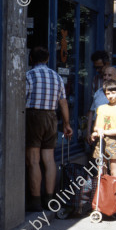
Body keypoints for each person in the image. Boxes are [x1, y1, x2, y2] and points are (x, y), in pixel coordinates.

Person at [25, 47, 73, 212]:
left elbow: (22, 98)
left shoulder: (29, 75)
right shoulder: (57, 77)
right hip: (52, 118)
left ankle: (36, 200)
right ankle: (50, 198)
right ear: (47, 59)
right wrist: (67, 124)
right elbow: (63, 102)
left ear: (31, 58)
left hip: (33, 117)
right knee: (49, 159)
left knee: (33, 160)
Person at [89, 80, 116, 218]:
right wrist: (95, 133)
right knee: (100, 172)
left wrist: (103, 132)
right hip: (101, 142)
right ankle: (101, 203)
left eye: (113, 92)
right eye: (108, 93)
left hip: (114, 142)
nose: (110, 95)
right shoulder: (101, 108)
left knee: (115, 174)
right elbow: (96, 127)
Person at [86, 66, 116, 144]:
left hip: (115, 136)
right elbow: (91, 112)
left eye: (109, 75)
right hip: (97, 133)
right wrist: (88, 131)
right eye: (105, 75)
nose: (106, 77)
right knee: (97, 155)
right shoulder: (98, 92)